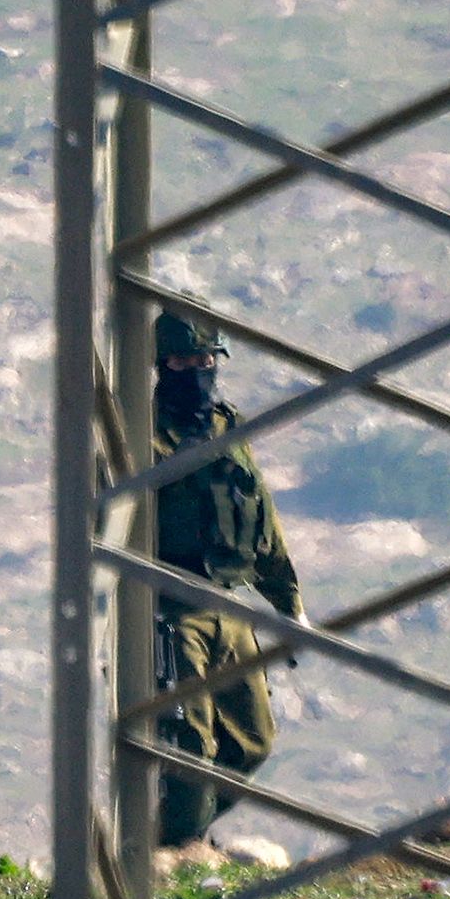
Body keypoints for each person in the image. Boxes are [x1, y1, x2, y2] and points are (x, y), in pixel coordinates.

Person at [150, 312, 304, 848]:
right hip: (171, 604)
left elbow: (261, 520)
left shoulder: (227, 427)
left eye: (206, 359)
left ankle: (173, 836)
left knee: (252, 739)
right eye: (185, 361)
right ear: (162, 365)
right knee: (190, 742)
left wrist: (289, 603)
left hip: (229, 605)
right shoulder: (140, 433)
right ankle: (173, 852)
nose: (198, 370)